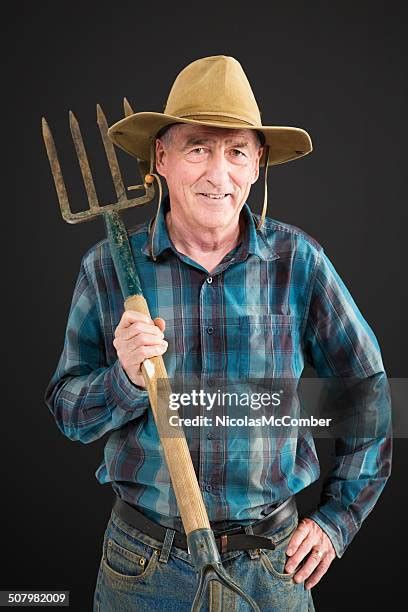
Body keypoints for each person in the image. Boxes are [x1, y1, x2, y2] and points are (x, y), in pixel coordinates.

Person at [45, 56, 392, 611]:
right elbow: (68, 411)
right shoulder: (108, 267)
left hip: (272, 570)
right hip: (143, 570)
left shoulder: (297, 263)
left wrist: (338, 520)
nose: (218, 174)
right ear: (161, 157)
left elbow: (367, 390)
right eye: (198, 148)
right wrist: (125, 381)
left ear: (258, 163)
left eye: (236, 151)